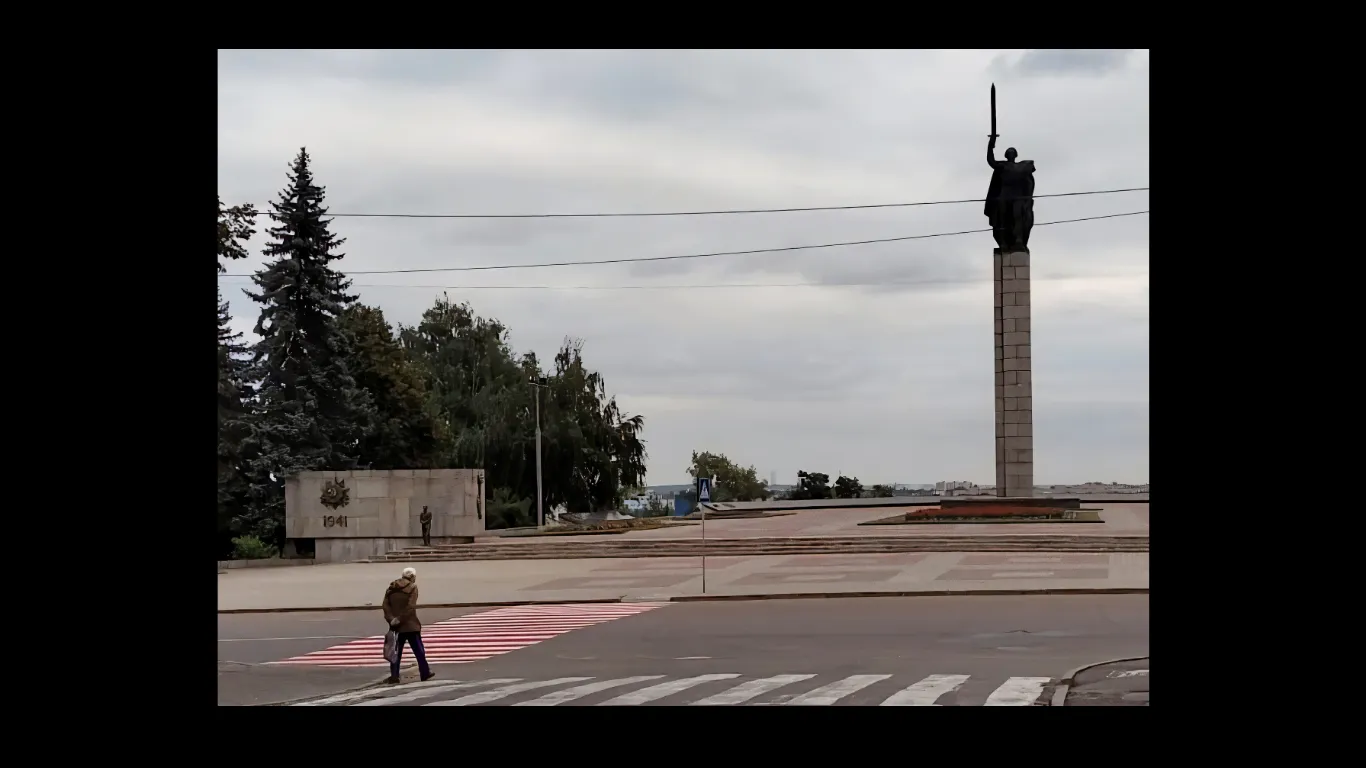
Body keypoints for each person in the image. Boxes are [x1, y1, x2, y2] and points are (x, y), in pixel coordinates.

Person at [382, 566, 434, 684]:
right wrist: (401, 619)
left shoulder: (391, 588)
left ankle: (394, 676)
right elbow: (410, 607)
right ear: (412, 577)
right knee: (419, 651)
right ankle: (425, 672)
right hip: (410, 625)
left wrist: (392, 619)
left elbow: (386, 606)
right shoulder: (412, 587)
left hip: (395, 626)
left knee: (395, 652)